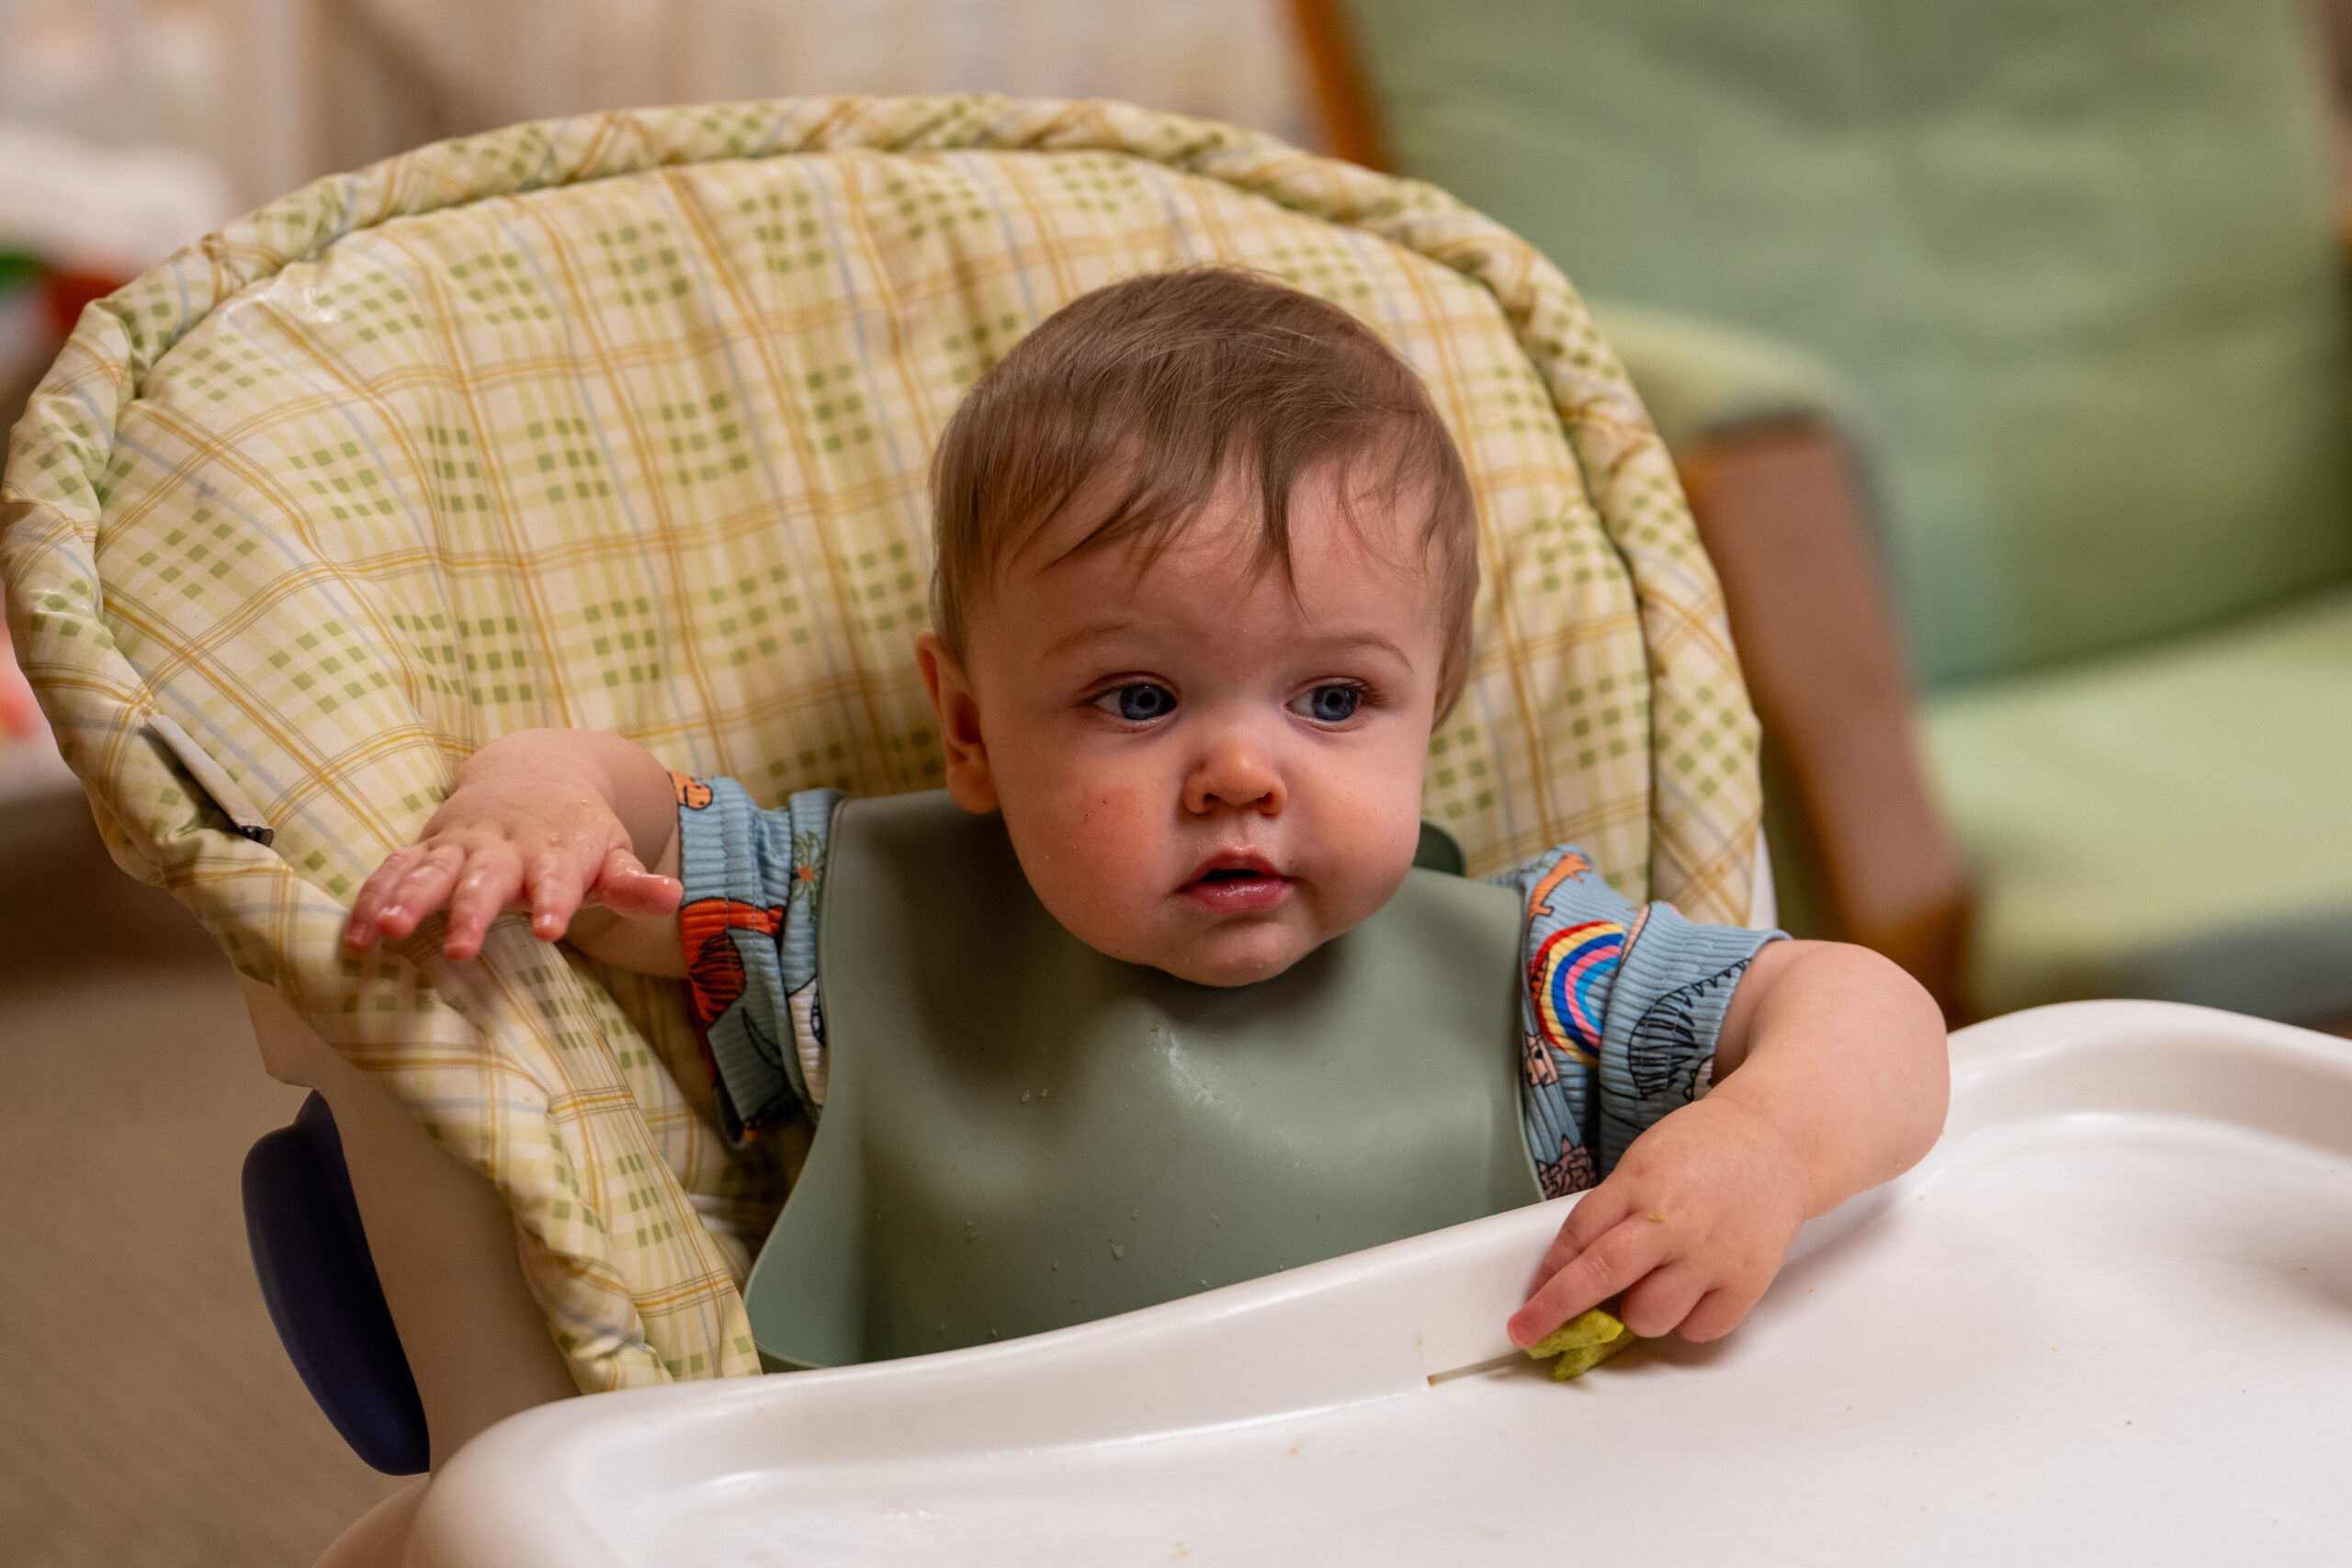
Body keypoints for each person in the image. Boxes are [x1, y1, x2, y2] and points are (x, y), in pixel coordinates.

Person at [341, 268, 1948, 1354]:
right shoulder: (846, 932)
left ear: (1431, 715)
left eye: (1334, 702)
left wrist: (1763, 1142)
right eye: (1138, 700)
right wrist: (533, 799)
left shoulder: (1547, 995)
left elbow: (1867, 1009)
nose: (1243, 774)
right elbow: (621, 833)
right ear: (969, 731)